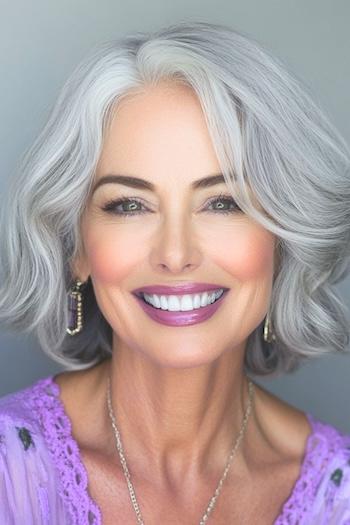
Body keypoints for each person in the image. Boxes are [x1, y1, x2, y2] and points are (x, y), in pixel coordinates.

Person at [0, 20, 350, 525]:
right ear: (76, 247)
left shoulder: (336, 499)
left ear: (282, 237)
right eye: (128, 206)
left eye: (223, 202)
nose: (176, 252)